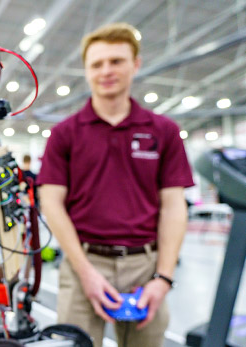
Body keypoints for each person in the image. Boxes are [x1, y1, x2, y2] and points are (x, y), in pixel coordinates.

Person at [37, 23, 194, 347]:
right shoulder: (65, 134)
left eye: (116, 61)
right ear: (86, 70)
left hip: (146, 267)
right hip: (84, 262)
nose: (106, 70)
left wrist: (163, 278)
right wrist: (85, 273)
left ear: (135, 64)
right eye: (97, 63)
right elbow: (51, 203)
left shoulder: (163, 131)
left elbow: (173, 207)